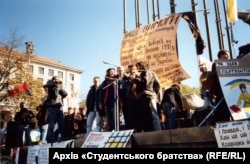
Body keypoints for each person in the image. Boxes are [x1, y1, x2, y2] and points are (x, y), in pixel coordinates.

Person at [133, 61, 162, 132]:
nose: (137, 68)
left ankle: (158, 131)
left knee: (153, 115)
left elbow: (145, 83)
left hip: (148, 97)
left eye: (138, 66)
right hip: (144, 98)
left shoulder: (147, 72)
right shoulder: (142, 74)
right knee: (147, 116)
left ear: (142, 66)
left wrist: (135, 77)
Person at [210, 49, 232, 122]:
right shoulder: (215, 64)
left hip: (230, 89)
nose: (228, 56)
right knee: (223, 109)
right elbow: (214, 74)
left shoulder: (231, 64)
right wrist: (222, 69)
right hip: (221, 91)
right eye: (226, 54)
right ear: (221, 55)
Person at [46, 76, 68, 143]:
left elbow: (65, 94)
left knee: (61, 124)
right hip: (53, 107)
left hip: (60, 107)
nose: (57, 82)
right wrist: (55, 86)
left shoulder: (59, 87)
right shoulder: (51, 88)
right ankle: (50, 139)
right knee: (52, 124)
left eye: (59, 80)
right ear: (53, 81)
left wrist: (59, 86)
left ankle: (62, 137)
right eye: (56, 80)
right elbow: (55, 95)